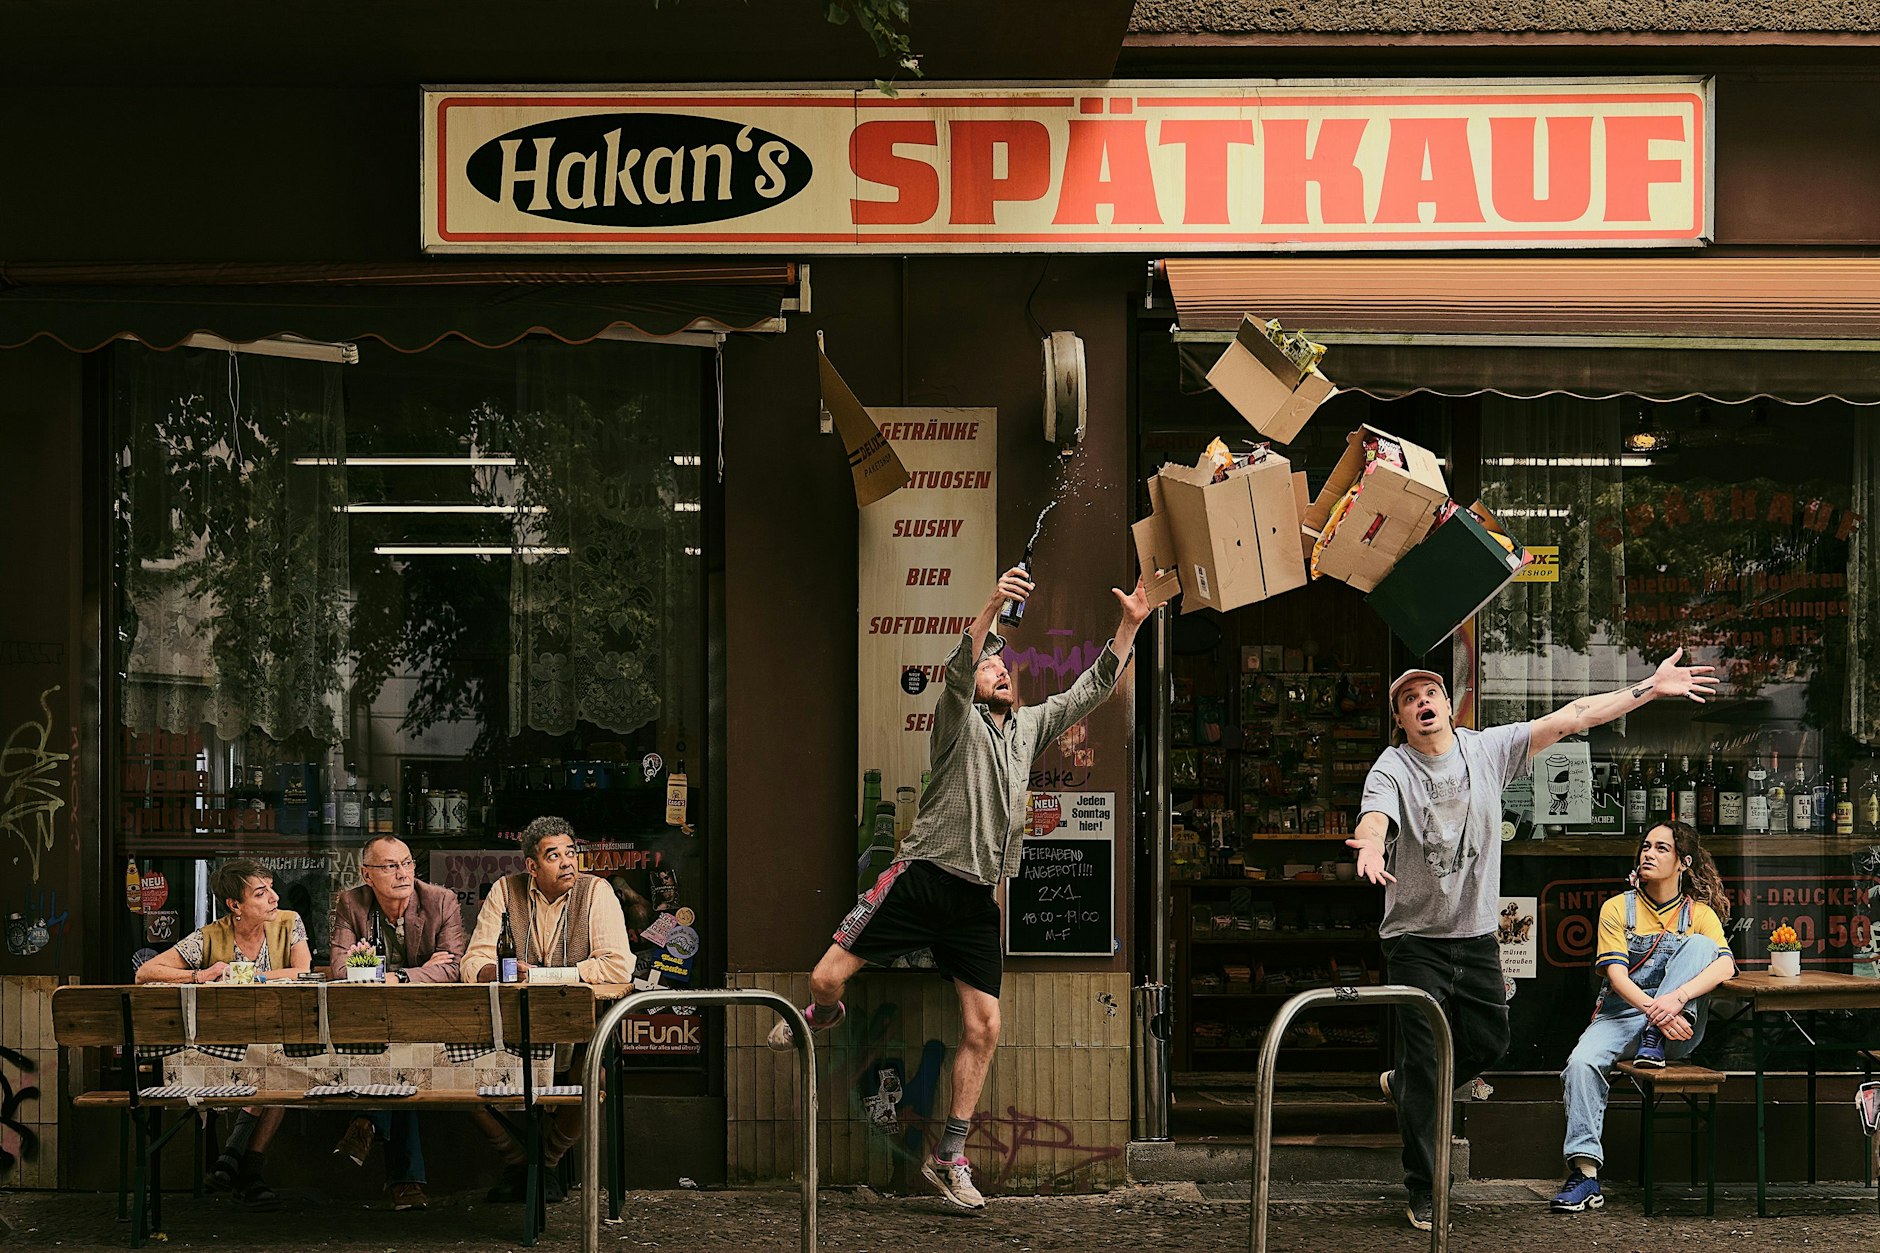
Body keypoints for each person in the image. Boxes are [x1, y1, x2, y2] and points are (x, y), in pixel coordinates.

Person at [765, 564, 1152, 1211]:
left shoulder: (1028, 729)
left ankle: (949, 1155)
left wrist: (1129, 625)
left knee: (985, 1025)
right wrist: (993, 604)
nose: (999, 671)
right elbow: (958, 667)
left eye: (1005, 667)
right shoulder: (955, 721)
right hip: (920, 881)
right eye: (988, 666)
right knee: (825, 980)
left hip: (975, 900)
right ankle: (821, 1015)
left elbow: (1091, 688)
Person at [1349, 650, 1718, 1231]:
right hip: (1414, 939)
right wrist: (1371, 845)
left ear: (1448, 704)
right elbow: (1375, 816)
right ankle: (1425, 1187)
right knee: (1424, 1055)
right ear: (1400, 718)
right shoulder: (1392, 767)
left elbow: (1576, 715)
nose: (1422, 703)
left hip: (1475, 936)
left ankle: (1407, 1084)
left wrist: (1650, 687)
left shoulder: (1488, 749)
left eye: (1430, 694)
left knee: (1489, 1043)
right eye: (1409, 700)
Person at [1551, 819, 1736, 1212]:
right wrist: (1656, 1013)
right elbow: (1616, 976)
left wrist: (1676, 1000)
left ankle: (1656, 1036)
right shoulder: (1618, 908)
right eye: (1646, 846)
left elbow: (1726, 967)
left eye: (1661, 848)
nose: (1649, 854)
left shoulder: (1699, 914)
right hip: (1623, 1017)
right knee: (1580, 1063)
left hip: (1678, 1029)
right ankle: (1585, 1175)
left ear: (1684, 862)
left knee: (1702, 947)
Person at [461, 816, 635, 1202]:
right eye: (554, 856)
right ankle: (524, 1162)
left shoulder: (597, 892)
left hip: (581, 1029)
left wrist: (542, 976)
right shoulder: (506, 891)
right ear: (532, 866)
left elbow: (618, 966)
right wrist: (494, 970)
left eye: (571, 853)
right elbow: (472, 962)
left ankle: (545, 1162)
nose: (568, 862)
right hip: (514, 1026)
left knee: (594, 1077)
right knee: (457, 1080)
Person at [135, 857, 313, 1210]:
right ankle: (248, 1171)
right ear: (235, 905)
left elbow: (302, 970)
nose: (274, 897)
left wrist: (250, 977)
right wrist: (199, 975)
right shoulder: (209, 936)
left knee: (281, 1069)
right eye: (260, 893)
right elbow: (146, 973)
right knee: (281, 1073)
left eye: (271, 888)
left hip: (273, 1040)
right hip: (222, 1049)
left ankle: (233, 1158)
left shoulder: (289, 922)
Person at [325, 835, 468, 1211]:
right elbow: (340, 969)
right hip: (372, 1021)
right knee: (397, 1056)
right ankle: (406, 1182)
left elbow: (453, 967)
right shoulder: (351, 903)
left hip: (429, 1017)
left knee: (401, 1052)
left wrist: (397, 977)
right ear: (367, 874)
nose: (403, 873)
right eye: (390, 866)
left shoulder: (440, 900)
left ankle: (368, 1122)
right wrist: (421, 971)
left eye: (407, 863)